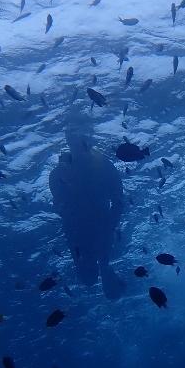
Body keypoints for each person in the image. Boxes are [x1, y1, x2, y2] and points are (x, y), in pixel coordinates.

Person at [49, 121, 126, 300]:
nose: (77, 141)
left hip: (99, 224)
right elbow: (58, 203)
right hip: (79, 227)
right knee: (88, 278)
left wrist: (110, 225)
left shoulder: (102, 166)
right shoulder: (59, 172)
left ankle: (107, 273)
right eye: (73, 137)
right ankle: (105, 271)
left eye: (80, 138)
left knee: (99, 269)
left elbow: (119, 200)